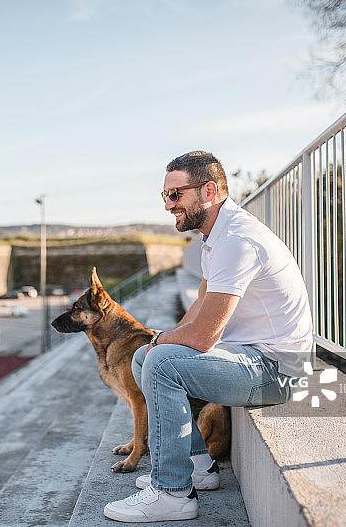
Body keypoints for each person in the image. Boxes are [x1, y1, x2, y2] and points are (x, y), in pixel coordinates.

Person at [103, 150, 313, 523]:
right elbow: (198, 308)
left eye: (176, 195)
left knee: (161, 362)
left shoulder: (236, 240)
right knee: (143, 358)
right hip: (249, 356)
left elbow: (201, 337)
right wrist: (159, 340)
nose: (169, 205)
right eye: (165, 196)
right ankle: (199, 466)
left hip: (275, 371)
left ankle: (173, 493)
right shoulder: (214, 237)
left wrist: (160, 343)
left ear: (209, 191)